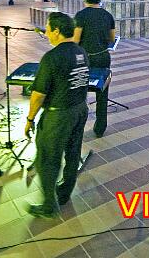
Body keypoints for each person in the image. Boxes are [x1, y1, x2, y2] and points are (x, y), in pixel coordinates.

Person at [24, 12, 90, 218]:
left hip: (58, 116)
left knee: (47, 159)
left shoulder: (51, 57)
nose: (46, 32)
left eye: (48, 28)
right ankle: (64, 194)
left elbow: (38, 95)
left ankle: (49, 206)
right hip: (79, 110)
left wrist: (29, 119)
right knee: (72, 154)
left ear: (57, 31)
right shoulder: (81, 52)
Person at [73, 0, 115, 137]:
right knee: (102, 93)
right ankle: (100, 127)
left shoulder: (81, 16)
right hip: (103, 56)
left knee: (80, 91)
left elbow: (75, 40)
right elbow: (111, 39)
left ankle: (78, 125)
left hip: (85, 58)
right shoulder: (107, 15)